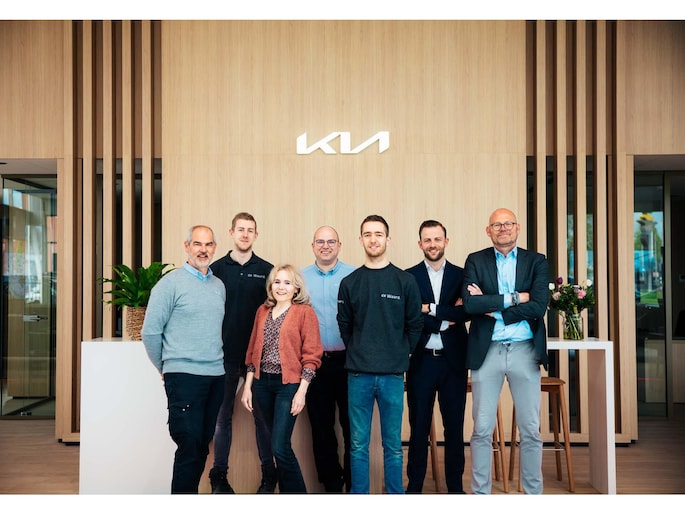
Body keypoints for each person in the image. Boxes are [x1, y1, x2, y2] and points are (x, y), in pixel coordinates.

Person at [461, 208, 550, 494]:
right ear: (488, 231)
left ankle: (533, 494)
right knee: (481, 429)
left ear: (518, 227)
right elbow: (470, 305)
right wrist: (515, 298)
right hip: (487, 350)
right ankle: (481, 494)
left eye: (508, 223)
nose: (503, 228)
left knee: (531, 429)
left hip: (525, 350)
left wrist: (493, 307)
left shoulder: (536, 261)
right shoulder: (476, 260)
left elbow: (538, 306)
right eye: (497, 225)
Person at [337, 214, 423, 494]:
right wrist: (359, 350)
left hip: (392, 375)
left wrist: (402, 353)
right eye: (368, 234)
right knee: (358, 445)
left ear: (388, 239)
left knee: (393, 445)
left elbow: (415, 324)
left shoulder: (405, 281)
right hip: (358, 374)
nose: (373, 239)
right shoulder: (350, 282)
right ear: (360, 239)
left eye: (378, 234)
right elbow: (344, 325)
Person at [141, 225, 226, 494]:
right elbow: (150, 332)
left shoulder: (218, 286)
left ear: (214, 248)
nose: (203, 250)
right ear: (187, 246)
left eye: (208, 244)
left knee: (201, 445)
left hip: (216, 376)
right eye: (197, 244)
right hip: (184, 377)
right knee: (189, 446)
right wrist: (164, 367)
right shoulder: (170, 284)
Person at [208, 212, 277, 494]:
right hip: (223, 357)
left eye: (250, 230)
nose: (245, 234)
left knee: (262, 419)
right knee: (221, 418)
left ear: (256, 235)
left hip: (257, 359)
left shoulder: (268, 270)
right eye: (240, 229)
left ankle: (269, 478)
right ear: (231, 233)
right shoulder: (215, 269)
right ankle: (219, 479)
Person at [240, 264, 323, 493]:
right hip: (261, 384)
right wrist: (247, 387)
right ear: (271, 285)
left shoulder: (304, 312)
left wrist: (301, 392)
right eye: (277, 282)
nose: (281, 287)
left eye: (287, 282)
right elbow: (252, 352)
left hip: (289, 385)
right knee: (271, 444)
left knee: (280, 446)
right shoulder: (262, 311)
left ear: (296, 288)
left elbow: (312, 355)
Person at [405, 220, 469, 494]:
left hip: (453, 362)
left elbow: (466, 312)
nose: (433, 244)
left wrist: (429, 308)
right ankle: (414, 488)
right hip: (421, 362)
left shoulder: (462, 275)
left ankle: (455, 488)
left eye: (437, 239)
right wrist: (445, 318)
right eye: (427, 240)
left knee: (454, 427)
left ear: (446, 241)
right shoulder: (408, 277)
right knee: (418, 427)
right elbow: (409, 317)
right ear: (420, 244)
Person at [301, 226, 356, 493]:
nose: (326, 246)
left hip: (349, 362)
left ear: (339, 245)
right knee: (321, 428)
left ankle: (354, 484)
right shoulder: (300, 278)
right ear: (313, 246)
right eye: (320, 241)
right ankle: (332, 487)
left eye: (331, 241)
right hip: (315, 364)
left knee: (352, 427)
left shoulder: (355, 276)